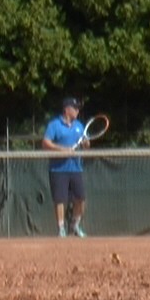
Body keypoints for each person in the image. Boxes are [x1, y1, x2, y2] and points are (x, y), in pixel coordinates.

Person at [41, 97, 89, 237]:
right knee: (60, 200)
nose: (77, 111)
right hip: (58, 170)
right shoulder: (54, 125)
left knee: (81, 199)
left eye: (78, 108)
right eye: (75, 108)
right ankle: (61, 228)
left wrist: (86, 144)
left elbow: (86, 145)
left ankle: (75, 225)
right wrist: (63, 150)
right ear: (67, 109)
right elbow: (45, 143)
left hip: (76, 168)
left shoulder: (79, 125)